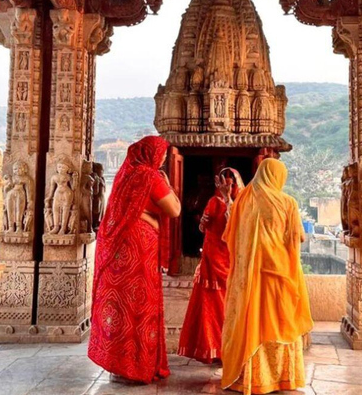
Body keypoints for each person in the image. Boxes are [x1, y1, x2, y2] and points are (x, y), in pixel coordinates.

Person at [88, 136, 181, 384]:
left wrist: (146, 215)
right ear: (153, 155)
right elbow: (175, 210)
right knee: (139, 303)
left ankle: (119, 366)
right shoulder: (149, 176)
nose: (162, 159)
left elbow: (126, 210)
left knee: (121, 302)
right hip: (139, 249)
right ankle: (137, 367)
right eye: (162, 154)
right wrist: (167, 186)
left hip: (121, 248)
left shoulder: (126, 173)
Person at [221, 158, 313, 394]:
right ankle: (280, 378)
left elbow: (231, 235)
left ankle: (247, 377)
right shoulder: (287, 202)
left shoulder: (243, 200)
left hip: (249, 278)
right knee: (279, 323)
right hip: (278, 274)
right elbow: (299, 237)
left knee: (251, 320)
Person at [178, 168, 245, 364]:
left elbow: (214, 226)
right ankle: (220, 349)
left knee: (218, 305)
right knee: (218, 304)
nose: (228, 185)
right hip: (220, 259)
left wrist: (224, 201)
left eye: (229, 182)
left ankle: (222, 349)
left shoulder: (226, 203)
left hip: (224, 258)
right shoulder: (226, 202)